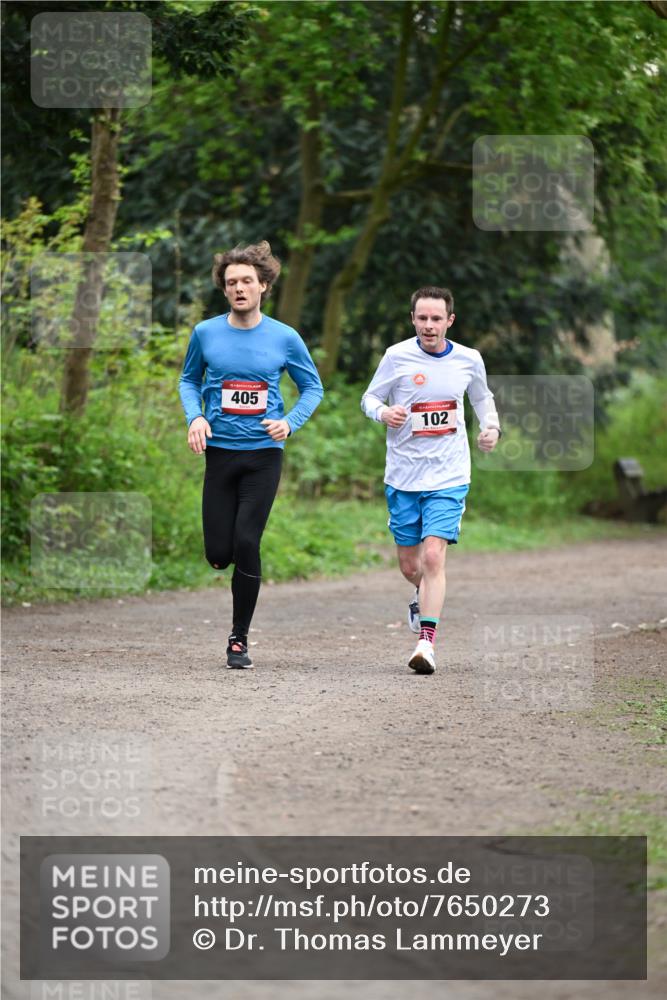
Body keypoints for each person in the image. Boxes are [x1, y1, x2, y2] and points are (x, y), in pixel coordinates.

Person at [179, 241, 323, 669]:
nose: (238, 288)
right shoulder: (205, 333)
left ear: (263, 285)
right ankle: (229, 569)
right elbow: (189, 380)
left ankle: (238, 639)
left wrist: (290, 422)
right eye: (230, 283)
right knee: (219, 553)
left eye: (246, 281)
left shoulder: (285, 337)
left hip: (263, 454)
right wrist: (195, 417)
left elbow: (313, 387)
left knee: (247, 540)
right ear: (224, 290)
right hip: (220, 453)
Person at [361, 286, 501, 676]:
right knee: (411, 566)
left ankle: (426, 642)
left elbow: (482, 399)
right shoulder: (396, 356)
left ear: (449, 321)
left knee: (434, 555)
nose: (428, 325)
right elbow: (368, 398)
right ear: (413, 319)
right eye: (422, 318)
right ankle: (419, 596)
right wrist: (383, 412)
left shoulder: (469, 359)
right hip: (404, 475)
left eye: (436, 318)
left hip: (449, 474)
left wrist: (492, 428)